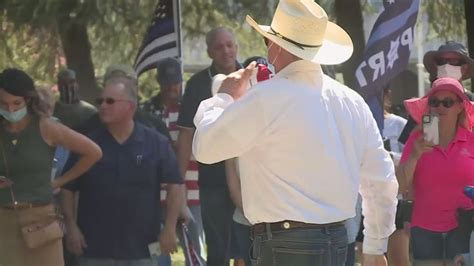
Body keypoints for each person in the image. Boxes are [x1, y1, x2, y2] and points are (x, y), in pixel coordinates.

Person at [191, 1, 398, 265]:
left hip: (284, 243)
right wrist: (375, 247)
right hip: (336, 239)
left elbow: (205, 148)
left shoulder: (265, 98)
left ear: (275, 46)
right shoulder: (352, 101)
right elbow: (381, 181)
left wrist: (224, 98)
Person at [61, 74, 185, 266]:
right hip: (94, 249)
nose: (103, 106)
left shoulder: (155, 143)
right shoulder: (87, 145)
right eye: (100, 101)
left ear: (130, 107)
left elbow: (175, 186)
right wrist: (71, 226)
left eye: (110, 101)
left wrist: (169, 228)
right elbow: (67, 188)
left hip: (142, 249)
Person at [0, 68, 102, 266]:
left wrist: (59, 181)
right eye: (3, 104)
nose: (10, 110)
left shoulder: (46, 127)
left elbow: (94, 152)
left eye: (16, 103)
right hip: (4, 223)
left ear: (28, 100)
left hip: (41, 222)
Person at [176, 26, 241, 265]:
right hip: (213, 179)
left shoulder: (253, 76)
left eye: (230, 45)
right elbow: (185, 136)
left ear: (237, 47)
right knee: (218, 249)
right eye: (219, 47)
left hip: (251, 178)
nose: (226, 51)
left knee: (253, 247)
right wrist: (179, 183)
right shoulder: (197, 84)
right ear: (209, 52)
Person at [399, 77, 474, 265]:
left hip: (464, 227)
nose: (440, 107)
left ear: (460, 108)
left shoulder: (472, 141)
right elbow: (400, 186)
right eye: (434, 102)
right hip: (424, 229)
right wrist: (415, 155)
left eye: (447, 102)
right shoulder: (416, 140)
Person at [143, 57, 205, 266]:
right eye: (167, 83)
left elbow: (198, 150)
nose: (172, 87)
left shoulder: (193, 109)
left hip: (191, 191)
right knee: (157, 252)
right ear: (159, 82)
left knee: (194, 250)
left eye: (176, 82)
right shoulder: (148, 111)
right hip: (156, 193)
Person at [399, 41, 474, 145]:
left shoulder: (472, 101)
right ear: (436, 66)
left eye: (453, 61)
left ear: (464, 68)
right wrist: (424, 126)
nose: (447, 65)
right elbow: (409, 146)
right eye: (441, 61)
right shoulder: (426, 103)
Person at [382, 86, 410, 266]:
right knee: (367, 254)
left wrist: (389, 156)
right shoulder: (359, 121)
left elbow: (411, 159)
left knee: (398, 258)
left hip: (395, 198)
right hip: (364, 200)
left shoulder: (399, 124)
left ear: (387, 96)